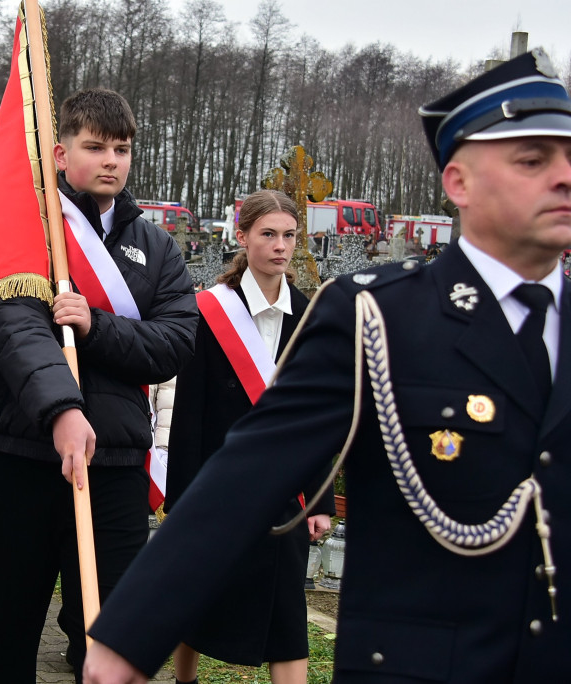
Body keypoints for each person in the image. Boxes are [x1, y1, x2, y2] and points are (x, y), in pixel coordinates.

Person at [82, 48, 571, 684]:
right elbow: (248, 472)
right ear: (458, 183)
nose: (562, 177)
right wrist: (127, 638)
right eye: (532, 161)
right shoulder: (378, 317)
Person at [0, 87, 197, 683]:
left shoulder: (158, 246)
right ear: (60, 152)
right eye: (94, 147)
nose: (111, 161)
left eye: (121, 148)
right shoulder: (26, 230)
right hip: (20, 454)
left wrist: (96, 327)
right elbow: (14, 328)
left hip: (115, 463)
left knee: (113, 629)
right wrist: (62, 408)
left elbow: (174, 341)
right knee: (8, 624)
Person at [164, 189, 333, 684]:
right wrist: (181, 501)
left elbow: (317, 417)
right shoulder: (209, 312)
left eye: (289, 236)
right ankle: (184, 680)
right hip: (216, 486)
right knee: (195, 598)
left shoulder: (310, 315)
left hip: (284, 493)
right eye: (268, 234)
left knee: (287, 614)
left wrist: (319, 499)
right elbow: (188, 416)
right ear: (242, 237)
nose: (280, 246)